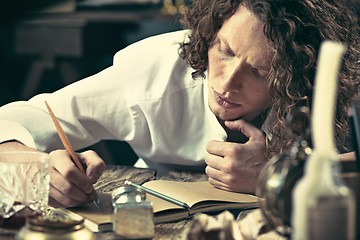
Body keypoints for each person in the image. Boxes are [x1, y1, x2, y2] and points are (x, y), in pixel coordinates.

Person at [0, 0, 358, 208]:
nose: (226, 83)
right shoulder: (151, 73)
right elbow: (16, 119)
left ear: (302, 75)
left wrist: (279, 176)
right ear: (211, 32)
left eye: (261, 72)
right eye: (225, 50)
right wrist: (37, 167)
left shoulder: (337, 83)